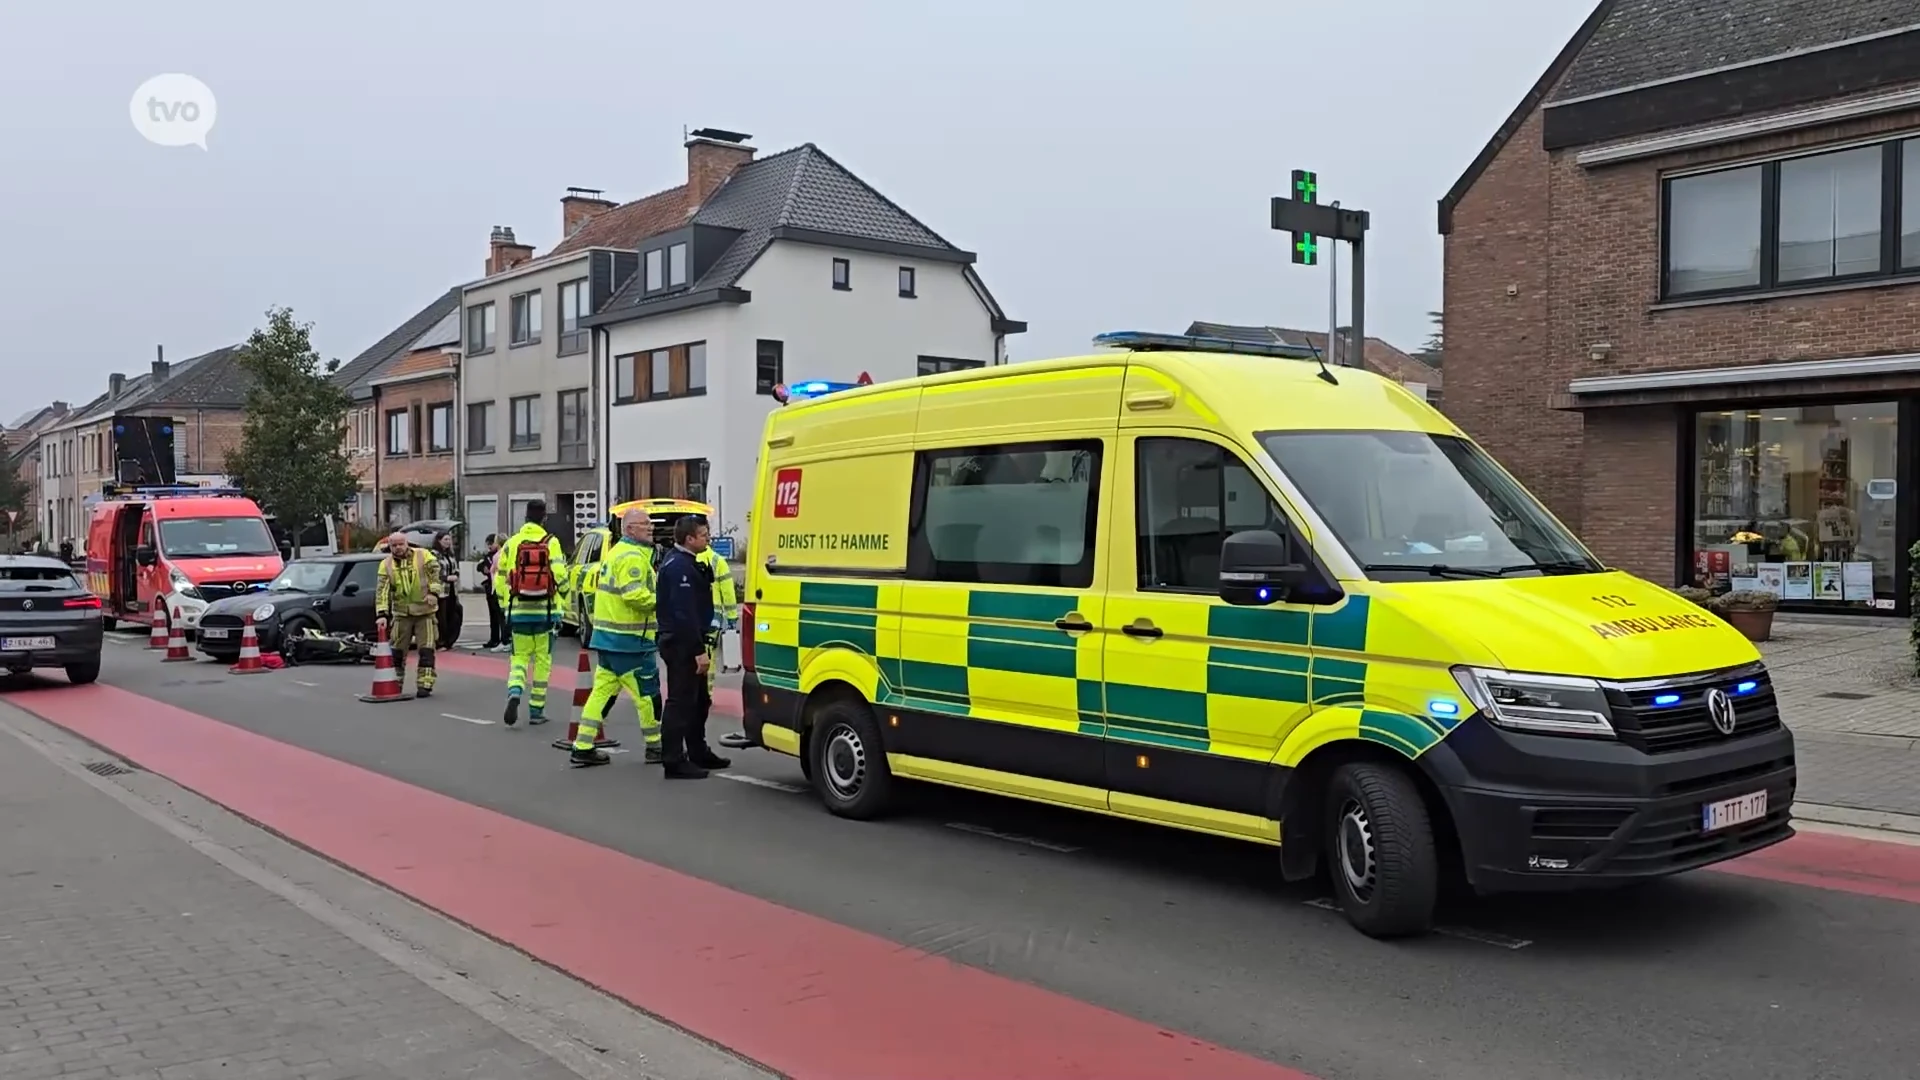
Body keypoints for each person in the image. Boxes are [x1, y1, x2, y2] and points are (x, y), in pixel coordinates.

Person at [571, 508, 663, 768]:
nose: (651, 527)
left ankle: (583, 745)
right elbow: (635, 596)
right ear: (630, 528)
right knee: (647, 695)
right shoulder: (633, 557)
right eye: (645, 524)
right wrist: (664, 603)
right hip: (631, 641)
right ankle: (655, 746)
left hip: (609, 639)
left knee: (601, 693)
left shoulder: (616, 554)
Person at [655, 516, 728, 777]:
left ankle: (698, 751)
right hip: (681, 644)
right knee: (680, 702)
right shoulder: (678, 568)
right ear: (689, 539)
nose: (708, 538)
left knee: (699, 701)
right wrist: (698, 651)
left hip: (688, 640)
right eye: (704, 534)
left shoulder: (689, 563)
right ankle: (673, 760)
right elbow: (683, 613)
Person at [493, 500, 568, 726]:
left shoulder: (512, 543)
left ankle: (515, 691)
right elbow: (560, 574)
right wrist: (562, 596)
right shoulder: (551, 542)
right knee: (543, 661)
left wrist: (505, 604)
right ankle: (536, 711)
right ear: (544, 518)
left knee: (519, 658)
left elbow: (499, 577)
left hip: (519, 612)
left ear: (524, 518)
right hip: (546, 613)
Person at [374, 531, 442, 699]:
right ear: (389, 547)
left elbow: (435, 574)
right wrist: (382, 613)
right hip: (401, 613)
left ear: (407, 543)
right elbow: (382, 591)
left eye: (400, 544)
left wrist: (434, 593)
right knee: (396, 651)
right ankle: (395, 682)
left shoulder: (423, 555)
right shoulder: (386, 564)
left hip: (425, 611)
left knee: (426, 649)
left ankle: (425, 684)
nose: (397, 548)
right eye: (394, 545)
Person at [433, 530, 464, 650]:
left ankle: (450, 640)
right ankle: (441, 641)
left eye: (449, 539)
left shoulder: (450, 554)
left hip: (452, 589)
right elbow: (433, 571)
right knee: (442, 617)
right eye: (445, 539)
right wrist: (445, 577)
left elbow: (456, 567)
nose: (448, 542)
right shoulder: (434, 554)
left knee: (454, 614)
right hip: (441, 590)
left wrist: (456, 574)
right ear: (439, 541)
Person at [477, 534, 506, 650]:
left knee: (501, 615)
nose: (489, 546)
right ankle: (494, 638)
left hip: (500, 587)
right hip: (492, 587)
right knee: (493, 615)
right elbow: (481, 566)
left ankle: (504, 639)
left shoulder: (500, 555)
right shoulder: (488, 556)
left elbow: (492, 569)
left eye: (492, 543)